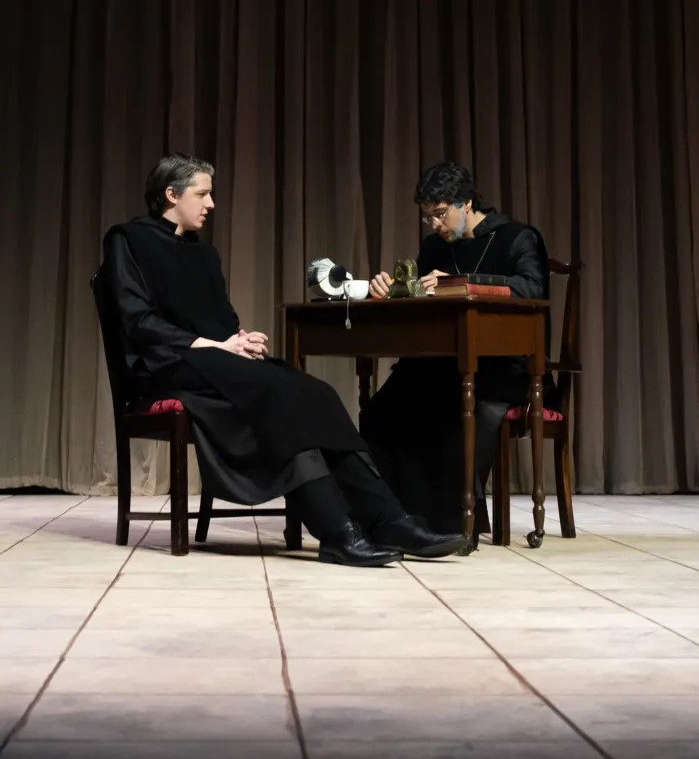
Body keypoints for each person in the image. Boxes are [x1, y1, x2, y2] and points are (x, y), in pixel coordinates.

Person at [102, 154, 467, 567]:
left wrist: (239, 338)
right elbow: (138, 322)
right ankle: (337, 531)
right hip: (163, 367)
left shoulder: (203, 254)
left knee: (314, 392)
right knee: (280, 396)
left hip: (217, 364)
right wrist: (216, 346)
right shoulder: (126, 239)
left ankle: (389, 519)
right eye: (202, 194)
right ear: (170, 195)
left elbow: (223, 319)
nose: (211, 204)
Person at [361, 162, 550, 539]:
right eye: (427, 217)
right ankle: (390, 518)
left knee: (448, 410)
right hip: (439, 364)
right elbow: (423, 298)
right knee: (382, 411)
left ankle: (448, 525)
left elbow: (532, 288)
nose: (434, 225)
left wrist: (464, 283)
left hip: (498, 369)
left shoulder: (516, 237)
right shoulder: (435, 247)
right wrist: (392, 289)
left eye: (440, 214)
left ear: (465, 204)